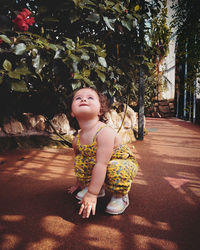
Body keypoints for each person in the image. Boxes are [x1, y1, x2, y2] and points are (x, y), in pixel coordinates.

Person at [68, 87, 138, 218]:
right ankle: (97, 187)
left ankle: (120, 196)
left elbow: (101, 164)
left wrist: (91, 194)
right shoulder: (77, 139)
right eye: (78, 98)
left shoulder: (104, 132)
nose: (83, 99)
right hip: (101, 164)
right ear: (72, 112)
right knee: (80, 160)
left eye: (90, 98)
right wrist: (79, 182)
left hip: (121, 162)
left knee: (114, 167)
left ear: (100, 110)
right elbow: (79, 160)